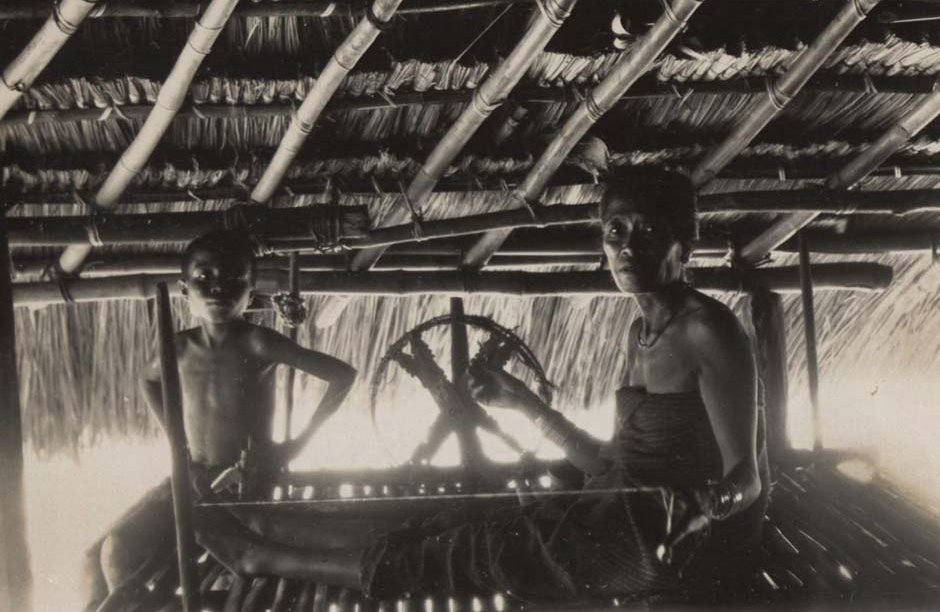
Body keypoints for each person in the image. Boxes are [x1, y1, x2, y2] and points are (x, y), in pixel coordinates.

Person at [197, 171, 770, 602]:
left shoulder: (708, 332)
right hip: (615, 518)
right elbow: (606, 465)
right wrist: (519, 400)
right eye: (615, 231)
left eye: (648, 231)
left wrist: (704, 504)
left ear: (684, 243)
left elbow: (748, 478)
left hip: (669, 551)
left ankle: (258, 555)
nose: (627, 247)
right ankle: (270, 526)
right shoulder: (638, 331)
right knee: (452, 525)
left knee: (484, 552)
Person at [80, 230, 358, 610]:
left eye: (233, 279)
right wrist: (177, 446)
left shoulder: (258, 342)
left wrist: (296, 445)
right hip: (192, 475)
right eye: (204, 278)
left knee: (127, 565)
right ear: (184, 288)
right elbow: (147, 380)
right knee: (102, 556)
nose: (218, 288)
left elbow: (342, 375)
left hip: (239, 482)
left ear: (250, 289)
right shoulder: (177, 348)